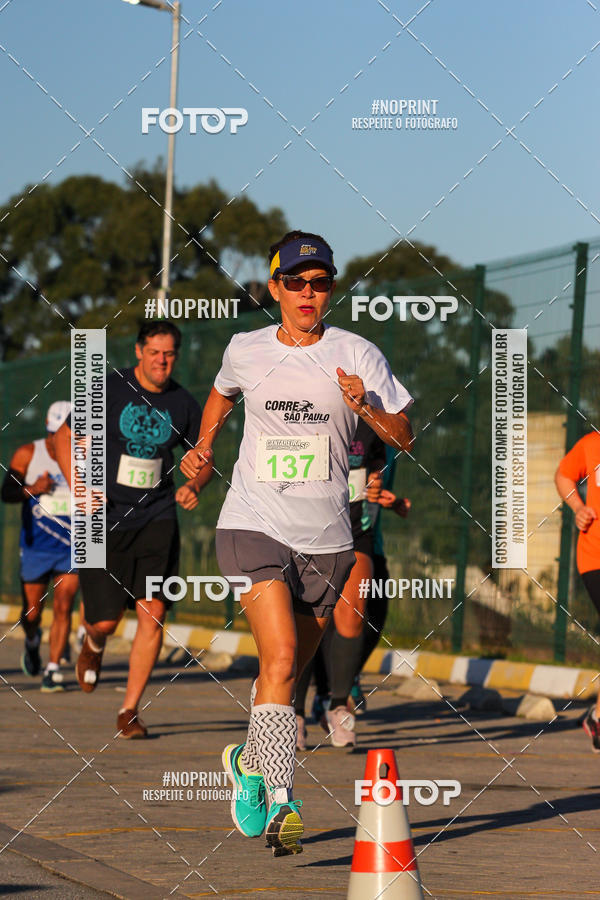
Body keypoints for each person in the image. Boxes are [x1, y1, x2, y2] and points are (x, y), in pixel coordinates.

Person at [181, 230, 414, 855]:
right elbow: (221, 394)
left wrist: (366, 409)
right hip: (253, 522)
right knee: (281, 656)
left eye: (321, 283)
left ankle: (249, 765)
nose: (309, 293)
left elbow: (405, 434)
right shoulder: (246, 349)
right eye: (297, 282)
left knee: (283, 672)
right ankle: (284, 799)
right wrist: (204, 451)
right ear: (275, 287)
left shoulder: (358, 353)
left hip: (329, 538)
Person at [55, 321, 213, 737]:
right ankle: (92, 644)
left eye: (170, 354)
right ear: (140, 351)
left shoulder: (183, 403)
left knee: (154, 611)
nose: (162, 361)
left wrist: (194, 484)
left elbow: (204, 458)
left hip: (156, 515)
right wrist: (79, 486)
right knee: (104, 621)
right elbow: (63, 438)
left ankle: (129, 710)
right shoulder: (108, 388)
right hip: (101, 518)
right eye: (155, 352)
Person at [294, 422, 411, 749]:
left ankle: (339, 704)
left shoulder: (372, 426)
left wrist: (376, 486)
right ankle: (295, 712)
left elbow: (375, 469)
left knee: (355, 612)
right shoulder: (309, 414)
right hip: (306, 531)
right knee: (306, 617)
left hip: (355, 531)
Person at [1, 401, 78, 691]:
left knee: (64, 603)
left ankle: (53, 668)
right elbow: (6, 492)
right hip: (37, 546)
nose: (59, 442)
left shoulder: (87, 455)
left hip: (72, 544)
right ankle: (32, 642)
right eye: (54, 435)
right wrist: (32, 488)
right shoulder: (28, 453)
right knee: (33, 611)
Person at [555, 434, 600, 752]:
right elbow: (564, 474)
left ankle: (597, 715)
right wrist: (578, 506)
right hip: (595, 556)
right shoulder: (592, 444)